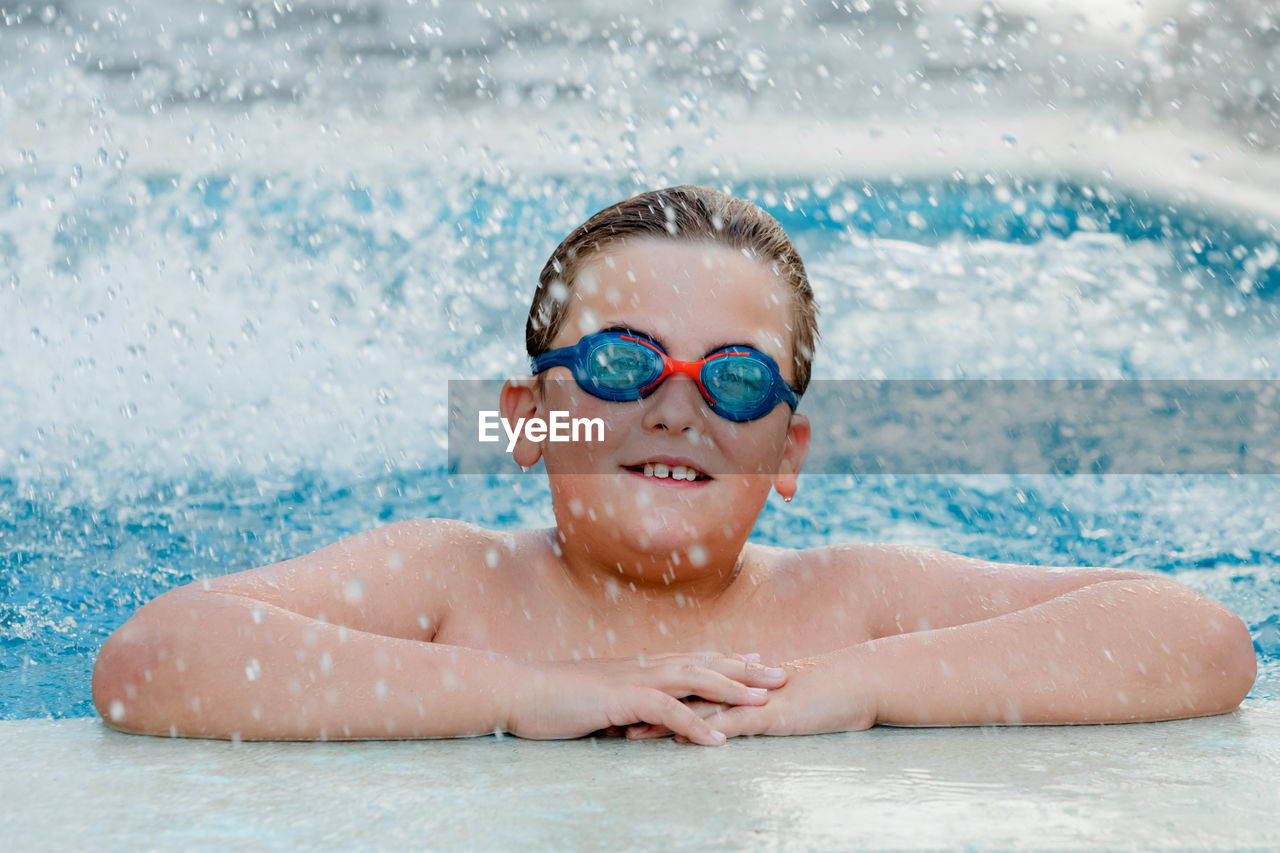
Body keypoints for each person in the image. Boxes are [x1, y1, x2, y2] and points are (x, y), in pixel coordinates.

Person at [91, 185, 1257, 746]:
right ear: (526, 417)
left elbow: (1196, 636)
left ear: (787, 450)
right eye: (616, 362)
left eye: (736, 378)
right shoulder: (450, 585)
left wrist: (864, 683)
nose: (674, 404)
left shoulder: (845, 605)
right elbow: (151, 659)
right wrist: (522, 692)